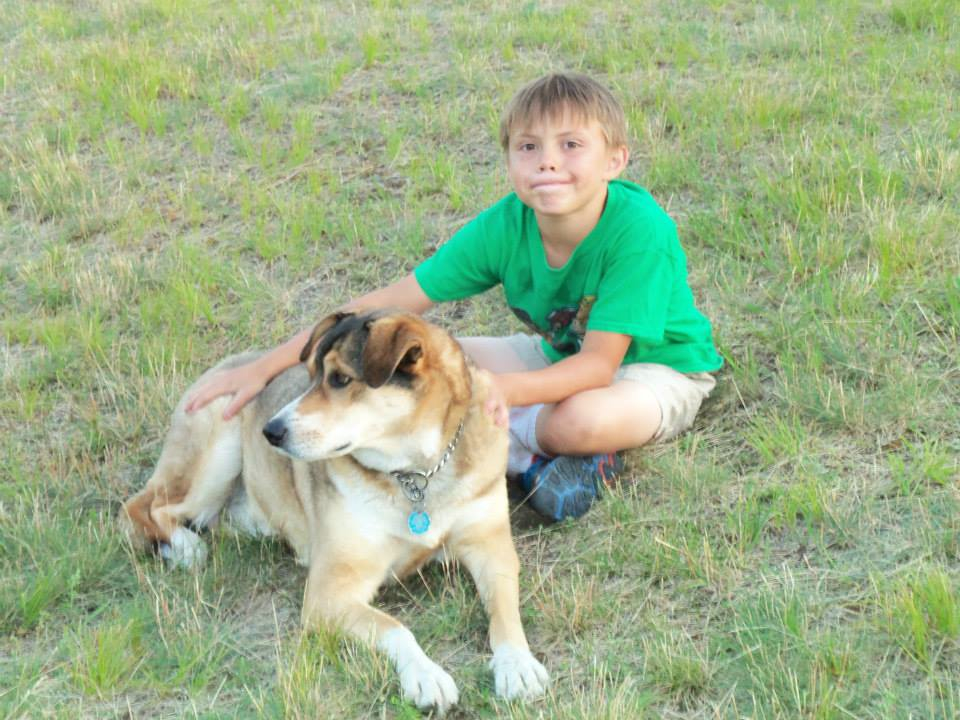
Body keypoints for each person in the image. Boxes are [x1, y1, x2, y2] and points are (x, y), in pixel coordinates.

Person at [185, 72, 723, 521]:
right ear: (508, 159)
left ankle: (541, 453)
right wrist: (265, 366)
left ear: (615, 160)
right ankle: (532, 464)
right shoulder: (508, 224)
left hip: (656, 371)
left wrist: (500, 391)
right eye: (528, 146)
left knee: (577, 422)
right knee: (436, 365)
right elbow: (388, 305)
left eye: (571, 145)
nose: (547, 162)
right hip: (559, 355)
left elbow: (599, 367)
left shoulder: (639, 232)